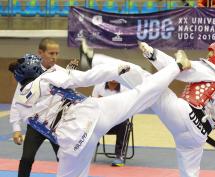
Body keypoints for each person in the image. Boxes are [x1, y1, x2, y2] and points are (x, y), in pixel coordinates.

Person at [8, 44, 191, 177]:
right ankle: (178, 66)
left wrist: (17, 129)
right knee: (141, 94)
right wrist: (115, 71)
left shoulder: (22, 100)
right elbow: (86, 78)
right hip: (94, 115)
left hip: (73, 143)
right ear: (34, 70)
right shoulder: (48, 76)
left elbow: (43, 118)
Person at [84, 40, 215, 177]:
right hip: (197, 137)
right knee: (190, 174)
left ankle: (93, 60)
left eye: (211, 55)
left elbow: (179, 70)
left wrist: (153, 54)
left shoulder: (211, 70)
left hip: (183, 114)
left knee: (143, 77)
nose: (208, 58)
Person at [9, 38, 77, 177]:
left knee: (64, 159)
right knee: (27, 158)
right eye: (51, 53)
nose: (54, 57)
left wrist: (71, 76)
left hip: (56, 126)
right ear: (40, 52)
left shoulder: (61, 72)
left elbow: (69, 95)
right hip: (35, 124)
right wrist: (16, 129)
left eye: (57, 53)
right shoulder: (28, 72)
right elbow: (18, 101)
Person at [92, 80, 130, 167]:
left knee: (124, 123)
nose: (113, 77)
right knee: (89, 118)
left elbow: (126, 108)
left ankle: (119, 155)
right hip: (102, 121)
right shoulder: (98, 86)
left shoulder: (125, 89)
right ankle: (92, 142)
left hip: (117, 122)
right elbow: (93, 105)